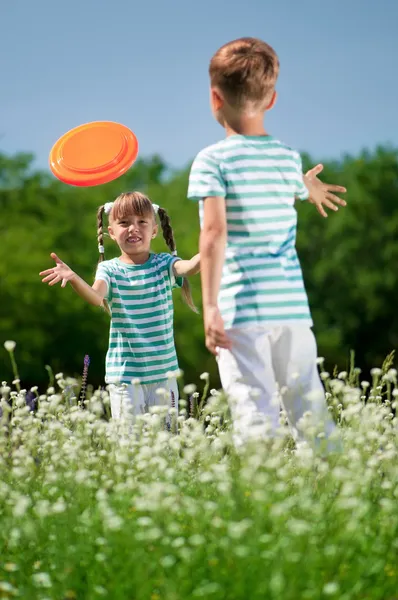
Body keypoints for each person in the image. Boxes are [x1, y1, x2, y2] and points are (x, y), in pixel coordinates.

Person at [188, 37, 346, 448]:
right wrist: (308, 188)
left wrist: (209, 307)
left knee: (254, 410)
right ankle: (334, 496)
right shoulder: (287, 158)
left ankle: (262, 506)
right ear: (272, 99)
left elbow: (214, 233)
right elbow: (293, 185)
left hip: (242, 309)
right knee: (310, 409)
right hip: (292, 309)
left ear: (214, 98)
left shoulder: (211, 161)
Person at [40, 191, 200, 422]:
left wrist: (212, 244)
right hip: (125, 376)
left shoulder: (164, 264)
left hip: (163, 374)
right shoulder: (110, 270)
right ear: (112, 232)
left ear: (154, 230)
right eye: (124, 223)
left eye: (141, 222)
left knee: (166, 445)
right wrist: (73, 277)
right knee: (128, 445)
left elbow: (191, 267)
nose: (133, 228)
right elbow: (96, 297)